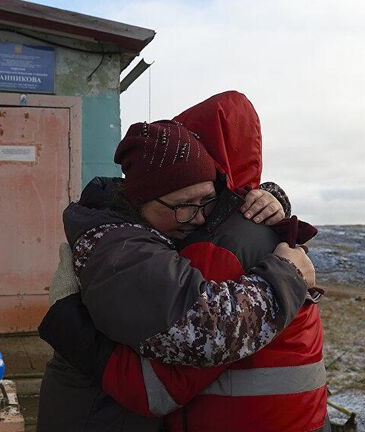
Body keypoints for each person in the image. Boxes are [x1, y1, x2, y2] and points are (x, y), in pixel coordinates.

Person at [39, 91, 328, 432]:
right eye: (183, 205)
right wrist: (288, 275)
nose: (199, 218)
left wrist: (266, 194)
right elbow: (206, 333)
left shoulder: (169, 228)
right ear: (140, 200)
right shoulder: (123, 248)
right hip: (95, 417)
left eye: (207, 200)